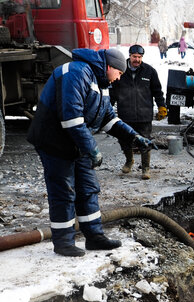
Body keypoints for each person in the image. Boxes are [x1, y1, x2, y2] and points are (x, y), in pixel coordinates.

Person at [26, 48, 154, 257]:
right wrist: (92, 149)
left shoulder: (101, 83)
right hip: (54, 139)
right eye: (119, 73)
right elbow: (71, 117)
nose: (119, 78)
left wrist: (134, 137)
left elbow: (108, 119)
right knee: (64, 191)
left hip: (76, 140)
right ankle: (63, 242)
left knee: (88, 188)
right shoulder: (76, 72)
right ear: (110, 67)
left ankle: (94, 237)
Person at [109, 44, 167, 180]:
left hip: (144, 114)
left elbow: (157, 91)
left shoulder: (149, 71)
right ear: (129, 56)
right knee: (124, 141)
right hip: (125, 114)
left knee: (145, 142)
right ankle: (129, 161)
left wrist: (162, 106)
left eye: (139, 57)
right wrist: (108, 107)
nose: (137, 60)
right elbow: (113, 92)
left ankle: (145, 168)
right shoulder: (121, 70)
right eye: (134, 57)